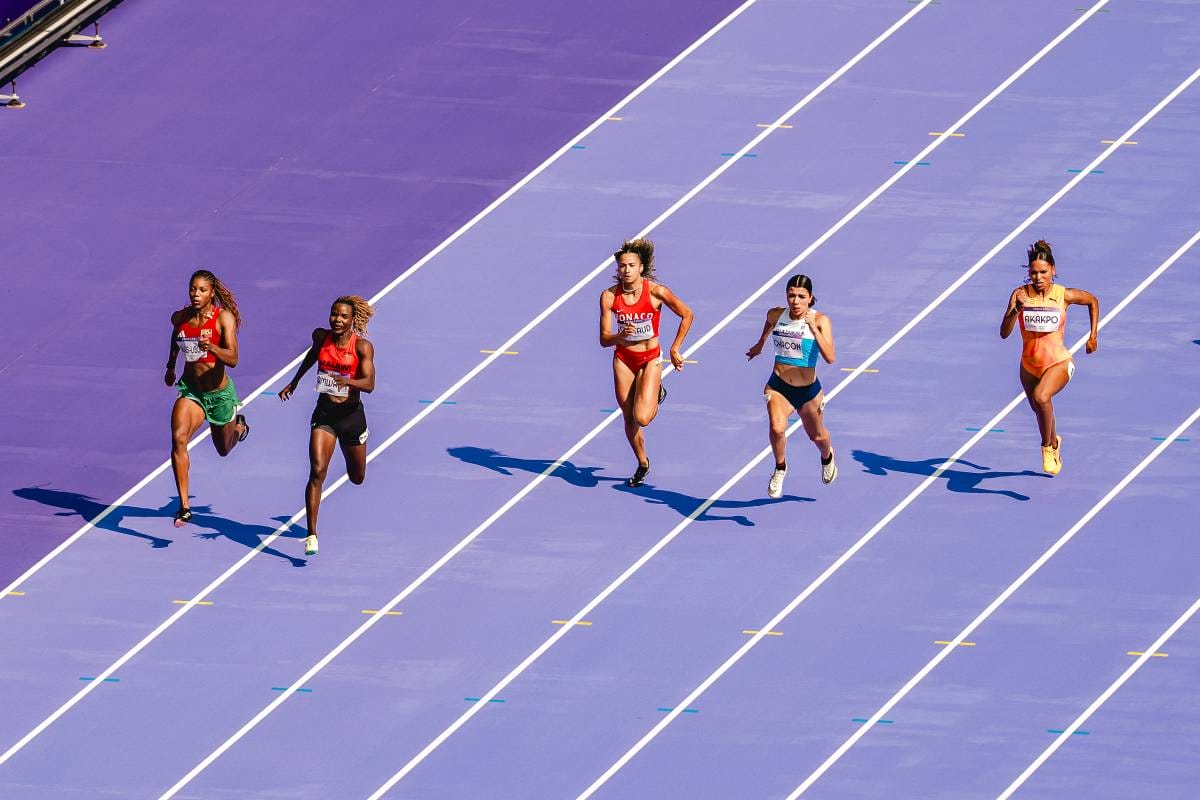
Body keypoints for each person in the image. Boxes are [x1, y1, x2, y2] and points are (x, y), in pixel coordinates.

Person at [279, 296, 376, 555]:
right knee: (317, 471)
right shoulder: (321, 337)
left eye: (343, 316)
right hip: (325, 415)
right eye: (334, 314)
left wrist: (349, 383)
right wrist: (295, 381)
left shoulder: (363, 348)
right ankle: (311, 534)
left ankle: (357, 444)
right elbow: (312, 357)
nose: (337, 319)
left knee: (357, 478)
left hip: (351, 417)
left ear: (352, 320)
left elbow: (369, 384)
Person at [598, 239, 693, 487]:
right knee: (629, 418)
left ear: (641, 267)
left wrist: (675, 348)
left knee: (643, 417)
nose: (626, 270)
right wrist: (621, 335)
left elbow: (687, 314)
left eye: (631, 265)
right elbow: (604, 340)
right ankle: (642, 463)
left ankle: (656, 388)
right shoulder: (609, 297)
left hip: (649, 359)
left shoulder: (656, 293)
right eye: (622, 266)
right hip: (624, 359)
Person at [1000, 239, 1098, 475]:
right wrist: (1016, 310)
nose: (1038, 277)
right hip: (1029, 367)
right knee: (1040, 410)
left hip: (1059, 362)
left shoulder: (1063, 295)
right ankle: (1055, 443)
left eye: (1043, 272)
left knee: (1042, 397)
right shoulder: (1020, 295)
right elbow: (1004, 333)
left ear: (1053, 270)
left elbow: (1092, 301)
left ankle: (1046, 448)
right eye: (1033, 273)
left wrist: (1093, 335)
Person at [166, 269, 249, 526]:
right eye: (193, 289)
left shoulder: (223, 319)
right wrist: (170, 365)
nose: (196, 294)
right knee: (178, 438)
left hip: (219, 395)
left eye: (202, 290)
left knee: (223, 449)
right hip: (192, 392)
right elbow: (176, 335)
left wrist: (211, 347)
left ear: (212, 293)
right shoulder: (182, 317)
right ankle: (185, 507)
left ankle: (240, 426)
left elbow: (233, 359)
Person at [745, 274, 837, 498]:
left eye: (801, 297)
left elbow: (831, 357)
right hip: (779, 386)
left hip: (807, 392)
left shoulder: (821, 320)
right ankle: (780, 468)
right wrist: (760, 344)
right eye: (791, 296)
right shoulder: (777, 314)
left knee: (817, 437)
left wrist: (814, 330)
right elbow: (769, 321)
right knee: (777, 428)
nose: (795, 301)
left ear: (810, 298)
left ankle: (827, 457)